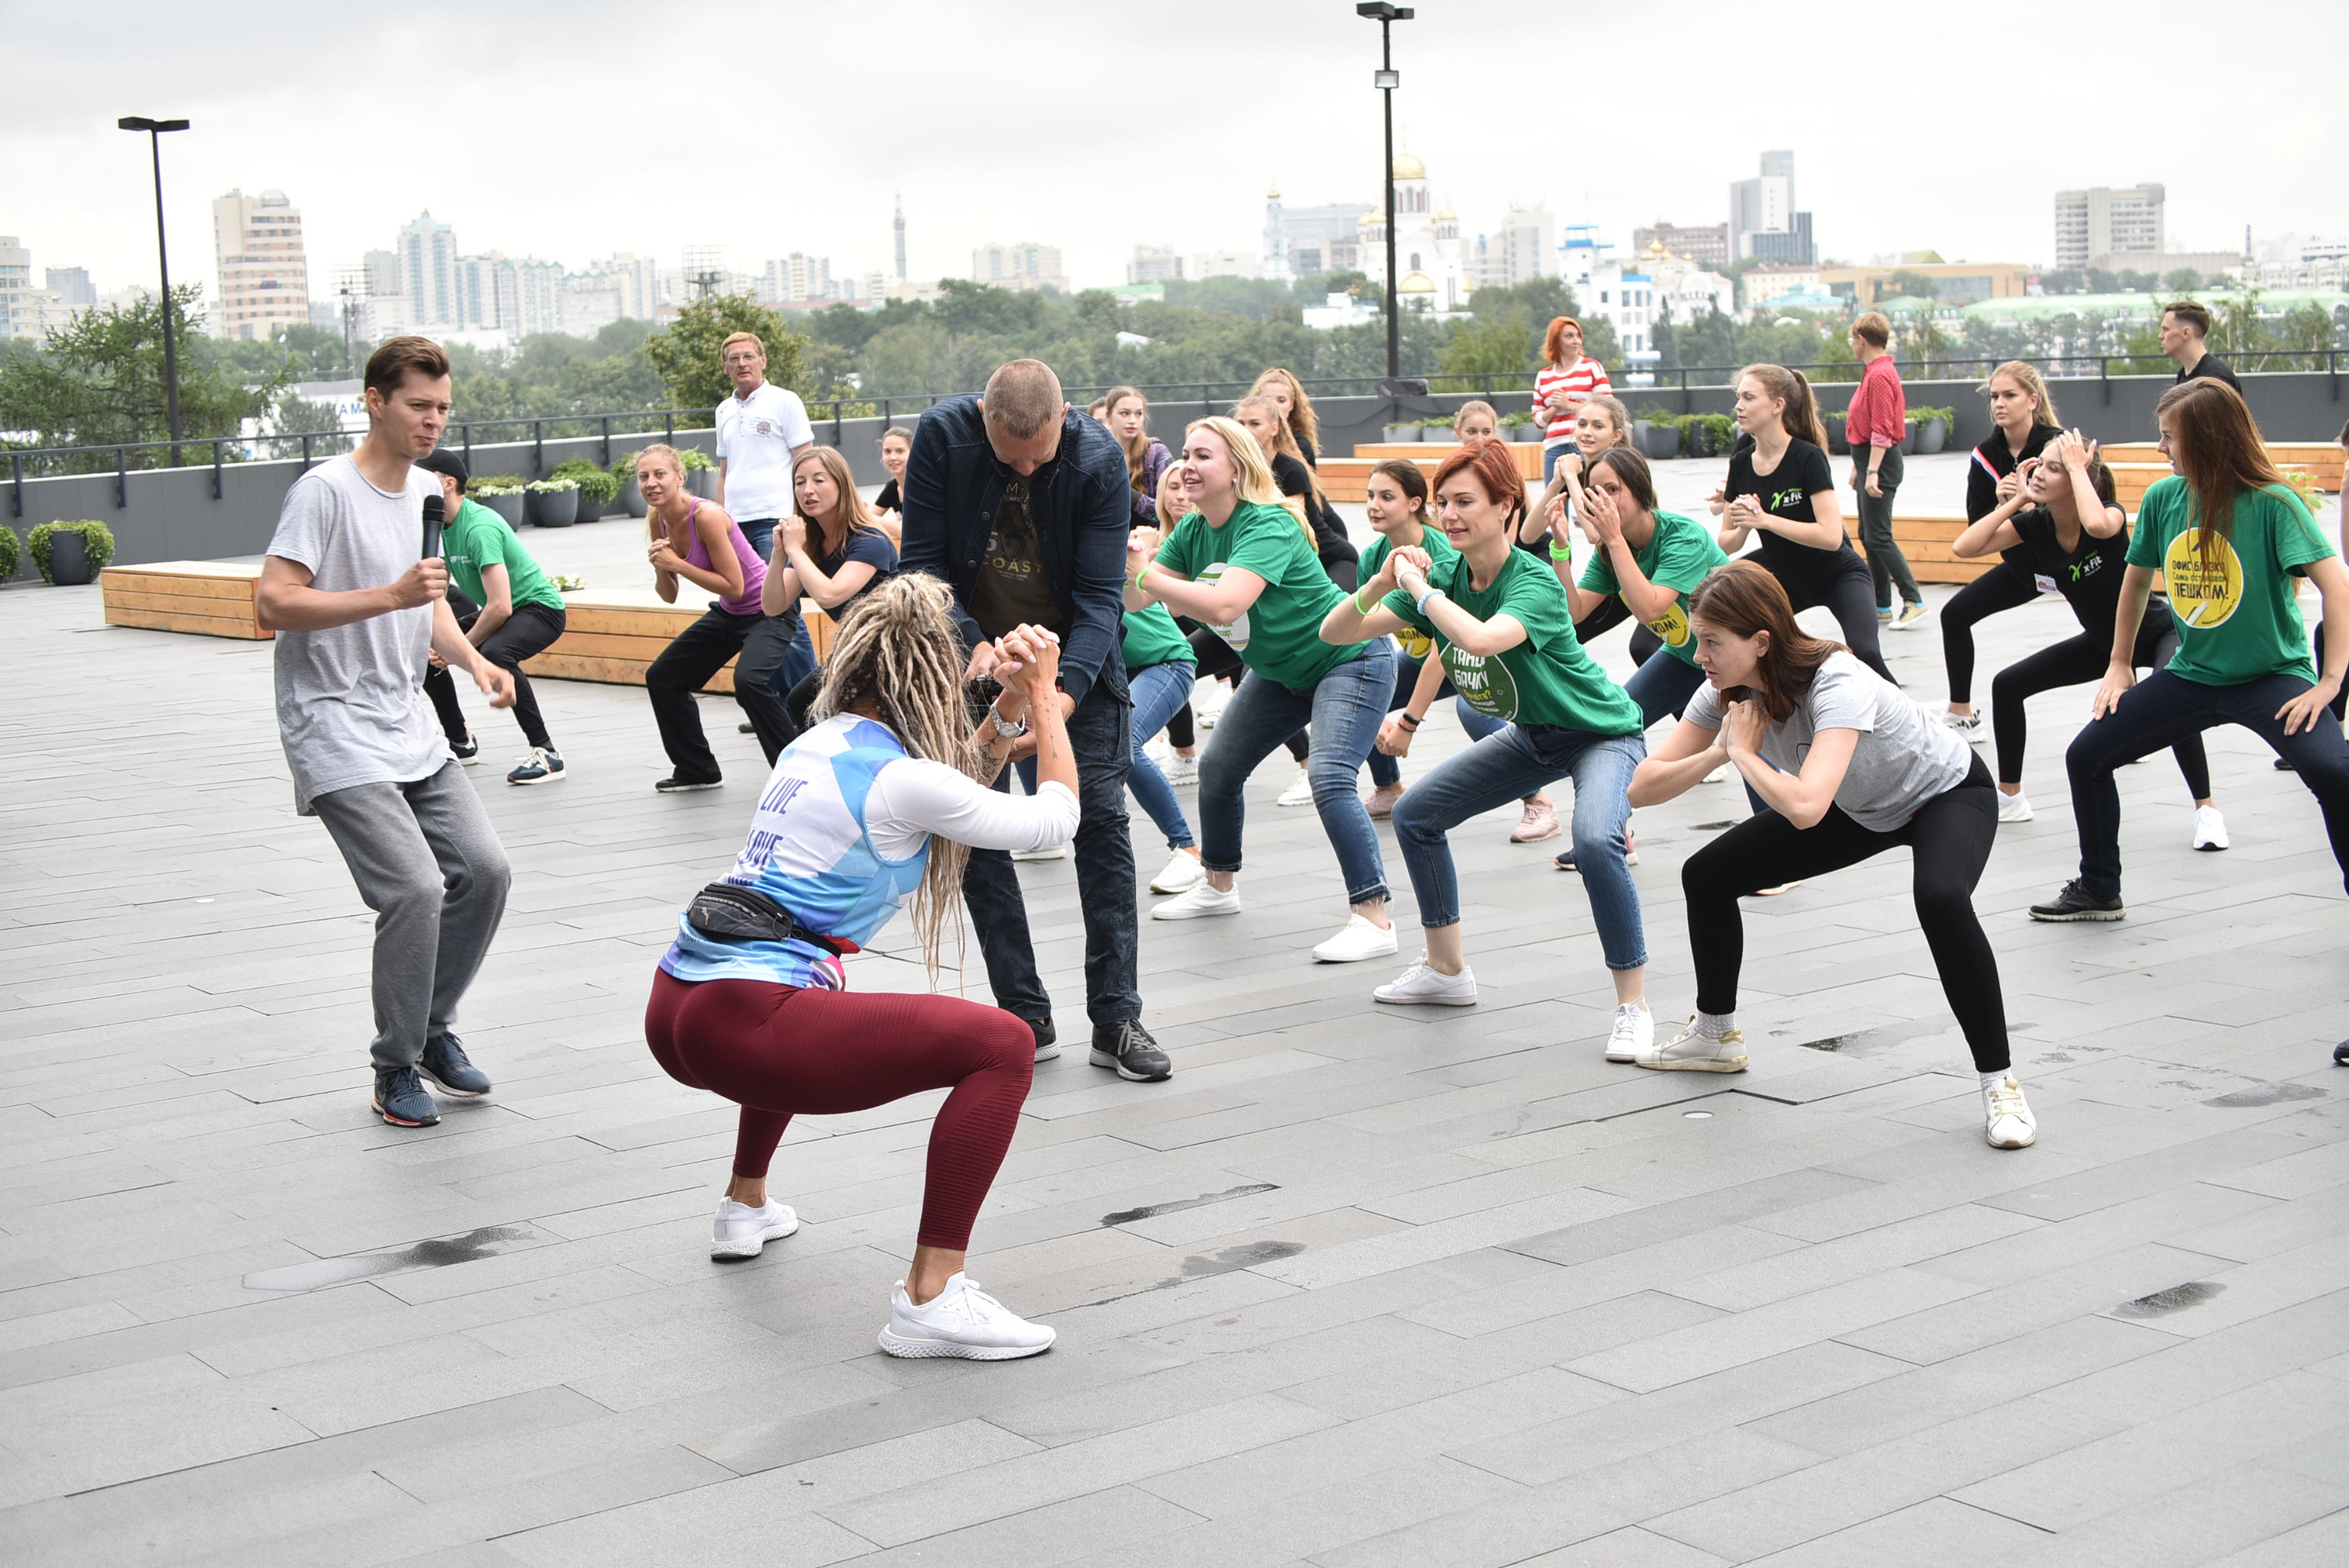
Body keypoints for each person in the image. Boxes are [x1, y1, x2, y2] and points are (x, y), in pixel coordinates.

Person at [645, 578, 1078, 1360]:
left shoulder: (818, 742)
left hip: (681, 1001)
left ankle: (746, 1202)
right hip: (744, 1023)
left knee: (813, 983)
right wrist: (1046, 701)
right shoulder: (902, 777)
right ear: (930, 680)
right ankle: (932, 1294)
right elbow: (1053, 821)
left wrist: (1008, 707)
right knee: (1005, 1045)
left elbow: (952, 786)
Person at [1629, 561, 2037, 1152]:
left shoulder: (1835, 680)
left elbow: (1807, 807)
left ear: (1761, 641)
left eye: (1712, 641)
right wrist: (1720, 752)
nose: (1700, 655)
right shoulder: (1723, 692)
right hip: (1861, 804)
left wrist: (1743, 756)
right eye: (1699, 639)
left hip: (1943, 793)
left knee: (1943, 898)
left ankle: (2000, 1083)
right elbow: (1643, 786)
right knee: (1708, 874)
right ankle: (1716, 1035)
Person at [253, 335, 514, 1129]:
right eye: (418, 405)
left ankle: (430, 1029)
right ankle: (394, 1063)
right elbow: (273, 603)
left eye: (442, 407)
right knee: (414, 887)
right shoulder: (324, 491)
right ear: (375, 400)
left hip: (407, 717)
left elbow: (427, 594)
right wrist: (390, 594)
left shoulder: (429, 493)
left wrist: (472, 659)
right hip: (330, 721)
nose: (434, 421)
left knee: (485, 871)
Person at [1321, 439, 1657, 1054]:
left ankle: (1633, 1006)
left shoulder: (1532, 582)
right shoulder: (1443, 571)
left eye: (1465, 501)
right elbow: (1335, 631)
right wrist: (1379, 581)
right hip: (1533, 737)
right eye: (1443, 501)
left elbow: (1478, 641)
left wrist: (1420, 594)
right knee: (1419, 815)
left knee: (1594, 839)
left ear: (1506, 506)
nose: (1449, 514)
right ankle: (1447, 972)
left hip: (1601, 733)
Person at [898, 359, 1169, 1082]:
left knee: (1101, 826)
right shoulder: (940, 436)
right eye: (1007, 454)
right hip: (969, 662)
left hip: (1074, 661)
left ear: (1067, 417)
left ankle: (1116, 1018)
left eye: (1038, 455)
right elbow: (921, 571)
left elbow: (1099, 598)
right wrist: (976, 645)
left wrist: (1057, 702)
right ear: (982, 412)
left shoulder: (1099, 455)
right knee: (973, 829)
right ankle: (1024, 1015)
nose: (1023, 466)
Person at [2031, 380, 2349, 925]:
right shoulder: (2163, 498)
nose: (2160, 448)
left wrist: (2330, 682)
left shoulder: (2274, 503)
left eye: (2168, 437)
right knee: (2086, 756)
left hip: (2272, 677)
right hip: (2193, 676)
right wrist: (2119, 663)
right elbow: (2134, 585)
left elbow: (2337, 586)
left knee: (2336, 774)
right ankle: (2099, 888)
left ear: (2205, 439)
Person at [1128, 416, 1401, 963]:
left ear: (1237, 468)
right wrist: (1131, 565)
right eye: (1185, 453)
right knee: (1220, 766)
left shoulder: (1267, 524)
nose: (1186, 464)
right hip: (1282, 672)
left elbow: (1225, 605)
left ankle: (1374, 917)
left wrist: (1145, 574)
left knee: (1328, 776)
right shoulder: (1194, 530)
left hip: (1349, 659)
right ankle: (1219, 886)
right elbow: (1141, 601)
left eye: (1203, 454)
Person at [1950, 431, 2223, 843]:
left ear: (2078, 479)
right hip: (2105, 644)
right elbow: (1965, 547)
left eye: (2053, 469)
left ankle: (2207, 810)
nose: (2039, 473)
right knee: (2008, 685)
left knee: (2171, 694)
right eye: (2039, 464)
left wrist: (2078, 467)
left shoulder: (2109, 515)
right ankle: (2011, 797)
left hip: (2156, 634)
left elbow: (2096, 523)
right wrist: (2019, 501)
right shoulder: (2036, 524)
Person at [1359, 457, 1561, 841]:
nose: (1374, 505)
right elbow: (1363, 630)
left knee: (1475, 710)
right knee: (1357, 693)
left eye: (1387, 496)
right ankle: (1388, 788)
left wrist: (1408, 723)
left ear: (1414, 504)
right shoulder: (1375, 557)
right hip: (1423, 658)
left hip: (1465, 656)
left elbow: (1448, 648)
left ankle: (1537, 802)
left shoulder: (1444, 553)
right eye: (1370, 496)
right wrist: (1371, 697)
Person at [1714, 364, 1896, 683]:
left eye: (1748, 397)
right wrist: (1745, 524)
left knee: (1865, 653)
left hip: (1837, 572)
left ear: (1777, 405)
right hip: (1784, 576)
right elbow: (1726, 542)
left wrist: (1766, 520)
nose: (1738, 406)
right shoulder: (1741, 462)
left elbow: (1830, 536)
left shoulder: (1807, 457)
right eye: (1738, 397)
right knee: (1743, 640)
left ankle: (1915, 728)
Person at [639, 444, 798, 791]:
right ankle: (697, 770)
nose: (651, 483)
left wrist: (677, 564)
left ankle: (797, 772)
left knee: (750, 682)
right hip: (730, 614)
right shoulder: (659, 520)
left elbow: (735, 586)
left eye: (659, 474)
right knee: (663, 677)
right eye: (644, 477)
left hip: (768, 609)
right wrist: (660, 567)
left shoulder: (706, 516)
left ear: (680, 477)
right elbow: (670, 595)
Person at [411, 450, 568, 787]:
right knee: (426, 653)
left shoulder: (479, 526)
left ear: (447, 483)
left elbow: (501, 607)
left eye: (421, 478)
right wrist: (443, 644)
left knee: (498, 652)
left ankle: (547, 754)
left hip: (540, 609)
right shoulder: (441, 526)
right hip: (505, 608)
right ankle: (460, 741)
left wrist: (460, 648)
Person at [1561, 447, 1730, 733]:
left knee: (1749, 748)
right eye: (1594, 492)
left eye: (1612, 489)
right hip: (1685, 657)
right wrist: (1560, 549)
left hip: (1736, 657)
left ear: (1639, 489)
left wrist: (1614, 538)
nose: (1603, 501)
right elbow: (1574, 611)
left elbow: (1650, 609)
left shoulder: (1683, 537)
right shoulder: (1609, 550)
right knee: (1618, 723)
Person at [1942, 362, 2066, 740]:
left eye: (2009, 395)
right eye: (1994, 396)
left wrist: (2030, 505)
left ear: (2032, 400)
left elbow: (2089, 506)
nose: (1999, 403)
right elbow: (1976, 530)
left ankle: (2124, 712)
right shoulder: (1984, 455)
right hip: (2024, 569)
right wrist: (2004, 506)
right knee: (1955, 615)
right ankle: (1961, 713)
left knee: (2110, 637)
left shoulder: (2059, 445)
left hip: (2070, 563)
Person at [767, 445, 900, 727]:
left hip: (895, 651)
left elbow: (831, 594)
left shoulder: (869, 539)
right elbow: (773, 605)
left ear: (841, 484)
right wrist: (779, 555)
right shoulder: (811, 546)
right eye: (799, 482)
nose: (807, 490)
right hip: (857, 652)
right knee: (802, 702)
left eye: (818, 480)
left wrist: (796, 551)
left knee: (818, 705)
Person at [1846, 312, 1926, 629]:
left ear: (1862, 339)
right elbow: (1864, 426)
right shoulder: (1875, 372)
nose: (1852, 345)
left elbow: (1881, 428)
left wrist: (1872, 471)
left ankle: (1913, 599)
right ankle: (1881, 605)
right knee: (1869, 534)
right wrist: (1860, 466)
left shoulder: (1879, 375)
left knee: (1878, 536)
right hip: (1870, 460)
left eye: (1853, 339)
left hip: (1880, 462)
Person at [1534, 315, 1612, 485]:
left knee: (1587, 497)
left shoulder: (1591, 367)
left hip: (1584, 444)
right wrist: (1554, 408)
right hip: (1554, 446)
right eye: (1569, 336)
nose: (1576, 341)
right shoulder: (1543, 376)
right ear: (1556, 341)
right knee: (1554, 502)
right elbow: (1538, 421)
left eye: (1578, 336)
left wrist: (1567, 405)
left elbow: (1608, 407)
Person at [1103, 385, 1174, 526]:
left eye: (1138, 414)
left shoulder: (1156, 453)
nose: (1132, 420)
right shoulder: (1101, 455)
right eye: (1124, 413)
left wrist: (1126, 493)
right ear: (1108, 417)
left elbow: (1169, 509)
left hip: (1154, 541)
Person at [2161, 300, 2243, 393]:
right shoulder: (2184, 375)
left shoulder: (2215, 378)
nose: (2160, 336)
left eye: (2166, 329)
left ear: (2186, 333)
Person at [1250, 367, 1322, 467]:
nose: (1274, 405)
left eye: (1281, 400)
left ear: (1291, 405)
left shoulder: (1301, 446)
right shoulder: (1246, 440)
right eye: (1267, 400)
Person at [868, 425, 913, 548]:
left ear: (913, 453)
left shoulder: (922, 486)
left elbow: (907, 531)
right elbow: (866, 522)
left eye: (900, 451)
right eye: (887, 452)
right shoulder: (893, 487)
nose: (893, 457)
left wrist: (861, 514)